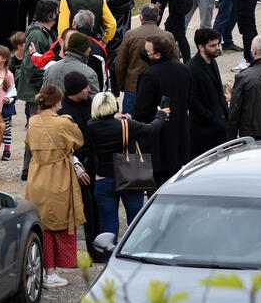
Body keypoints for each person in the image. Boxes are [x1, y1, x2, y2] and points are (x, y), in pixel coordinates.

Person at [24, 84, 85, 289]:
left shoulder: (32, 121)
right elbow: (79, 141)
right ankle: (50, 274)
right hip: (58, 177)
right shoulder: (63, 123)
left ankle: (45, 270)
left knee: (42, 224)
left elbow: (28, 143)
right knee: (58, 225)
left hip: (37, 176)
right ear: (58, 102)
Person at [87, 91, 166, 237]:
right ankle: (133, 255)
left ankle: (110, 256)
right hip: (129, 176)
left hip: (103, 179)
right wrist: (161, 114)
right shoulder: (127, 125)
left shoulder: (90, 126)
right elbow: (152, 129)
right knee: (135, 221)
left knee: (109, 224)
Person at [133, 35, 192, 187]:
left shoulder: (150, 75)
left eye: (147, 51)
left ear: (158, 55)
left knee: (158, 187)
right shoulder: (183, 69)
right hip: (179, 137)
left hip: (157, 141)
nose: (144, 54)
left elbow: (141, 109)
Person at [58, 71, 99, 260]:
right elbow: (62, 145)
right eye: (85, 87)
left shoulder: (90, 103)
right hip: (77, 167)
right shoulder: (63, 113)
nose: (89, 90)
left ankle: (96, 251)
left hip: (95, 163)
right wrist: (75, 164)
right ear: (75, 91)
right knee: (80, 209)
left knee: (94, 209)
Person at [17, 0, 59, 179]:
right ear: (53, 15)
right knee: (35, 132)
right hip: (37, 93)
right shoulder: (37, 35)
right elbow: (32, 67)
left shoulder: (45, 32)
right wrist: (44, 90)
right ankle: (29, 170)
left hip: (40, 91)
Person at [115, 4, 179, 115]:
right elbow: (175, 63)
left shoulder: (130, 35)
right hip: (160, 88)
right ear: (158, 18)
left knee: (130, 125)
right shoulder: (168, 36)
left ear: (141, 17)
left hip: (133, 87)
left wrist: (122, 84)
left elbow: (120, 64)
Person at [186, 28, 228, 156]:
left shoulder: (212, 61)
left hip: (218, 126)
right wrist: (210, 117)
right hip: (203, 131)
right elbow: (191, 100)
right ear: (201, 47)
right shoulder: (191, 68)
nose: (217, 48)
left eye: (218, 44)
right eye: (213, 45)